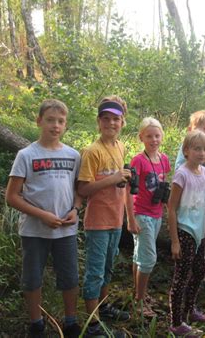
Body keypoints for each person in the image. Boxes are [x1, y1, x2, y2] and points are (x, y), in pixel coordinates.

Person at [5, 99, 82, 338]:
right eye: (50, 120)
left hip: (66, 230)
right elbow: (11, 196)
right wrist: (42, 215)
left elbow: (78, 191)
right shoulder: (26, 155)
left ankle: (70, 321)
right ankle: (36, 323)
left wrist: (76, 209)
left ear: (65, 125)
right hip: (33, 230)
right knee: (32, 278)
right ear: (39, 121)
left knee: (70, 276)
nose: (55, 125)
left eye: (60, 121)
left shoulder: (74, 155)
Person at [78, 96, 131, 338]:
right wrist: (115, 177)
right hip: (97, 222)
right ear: (99, 122)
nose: (111, 123)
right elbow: (83, 189)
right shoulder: (92, 151)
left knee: (109, 268)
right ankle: (92, 324)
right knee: (95, 272)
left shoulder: (120, 146)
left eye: (116, 119)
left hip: (115, 219)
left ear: (122, 122)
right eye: (106, 119)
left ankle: (103, 306)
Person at [175, 110, 205, 298]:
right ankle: (186, 277)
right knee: (189, 245)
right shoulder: (184, 147)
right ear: (190, 130)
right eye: (197, 129)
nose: (202, 133)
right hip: (189, 209)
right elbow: (180, 170)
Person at [125, 117, 171, 317]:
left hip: (157, 213)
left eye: (157, 135)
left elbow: (164, 182)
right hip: (141, 213)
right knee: (149, 259)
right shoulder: (138, 160)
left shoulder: (164, 159)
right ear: (141, 137)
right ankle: (140, 300)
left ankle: (139, 292)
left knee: (140, 254)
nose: (154, 140)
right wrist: (130, 219)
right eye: (149, 136)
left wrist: (168, 206)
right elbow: (128, 191)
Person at [168, 130, 205, 336]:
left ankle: (190, 309)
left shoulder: (204, 172)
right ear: (186, 151)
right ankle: (176, 322)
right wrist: (175, 241)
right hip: (185, 231)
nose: (201, 153)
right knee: (181, 277)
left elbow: (203, 203)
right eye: (197, 149)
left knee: (200, 271)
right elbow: (171, 208)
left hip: (199, 232)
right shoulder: (181, 174)